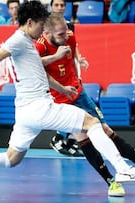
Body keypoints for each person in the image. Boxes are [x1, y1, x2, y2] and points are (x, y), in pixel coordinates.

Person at [0, 1, 135, 201]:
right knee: (92, 123)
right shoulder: (18, 40)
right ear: (30, 22)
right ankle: (123, 170)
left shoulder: (28, 44)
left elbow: (41, 74)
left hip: (25, 113)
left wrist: (62, 89)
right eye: (41, 24)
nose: (43, 30)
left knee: (11, 158)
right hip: (40, 107)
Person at [35, 12, 135, 197]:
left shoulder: (69, 37)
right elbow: (38, 70)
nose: (65, 36)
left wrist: (78, 62)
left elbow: (72, 51)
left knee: (105, 130)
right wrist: (62, 86)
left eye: (66, 32)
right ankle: (112, 182)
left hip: (78, 92)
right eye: (60, 34)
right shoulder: (39, 47)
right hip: (61, 100)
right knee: (83, 137)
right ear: (47, 33)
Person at [49, 0, 90, 156]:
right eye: (56, 5)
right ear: (51, 7)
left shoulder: (68, 26)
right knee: (63, 107)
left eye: (62, 5)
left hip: (67, 71)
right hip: (53, 73)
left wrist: (79, 59)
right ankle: (59, 137)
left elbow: (73, 46)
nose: (59, 8)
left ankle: (66, 138)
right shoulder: (45, 26)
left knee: (75, 106)